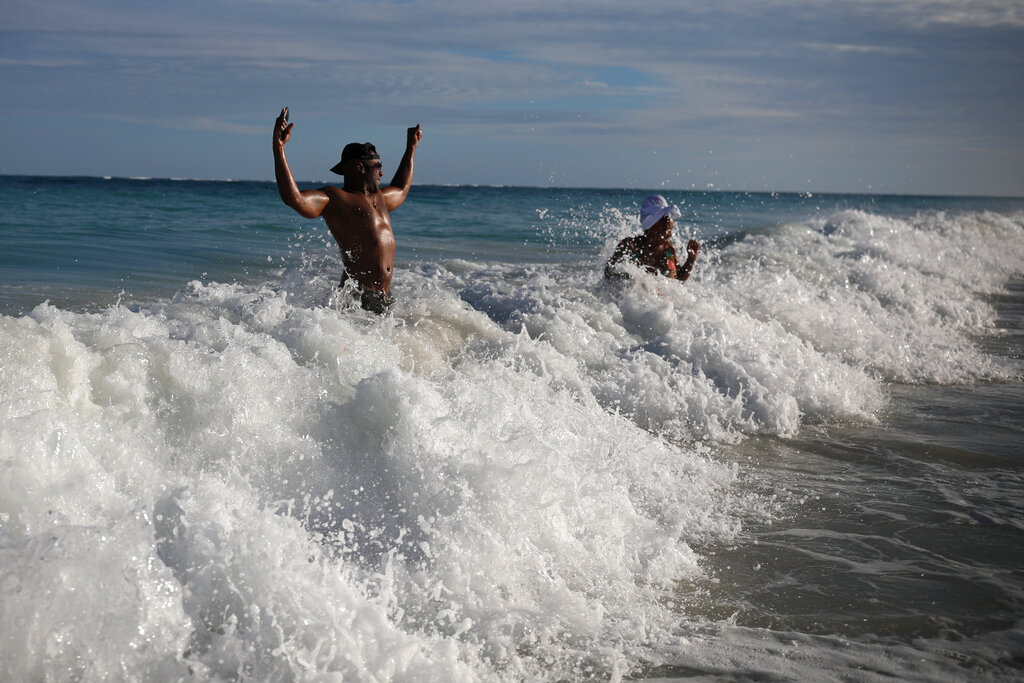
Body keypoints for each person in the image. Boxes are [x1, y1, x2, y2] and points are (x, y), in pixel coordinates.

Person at [273, 108, 422, 313]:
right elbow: (294, 199)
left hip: (384, 296)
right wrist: (279, 148)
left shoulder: (380, 199)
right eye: (377, 166)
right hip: (359, 298)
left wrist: (411, 148)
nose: (381, 172)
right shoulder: (336, 199)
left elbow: (401, 189)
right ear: (361, 168)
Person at [605, 194, 700, 282]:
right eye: (666, 229)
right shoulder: (630, 245)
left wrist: (691, 259)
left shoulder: (669, 250)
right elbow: (608, 272)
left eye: (671, 229)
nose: (670, 234)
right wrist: (631, 280)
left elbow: (678, 279)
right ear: (651, 226)